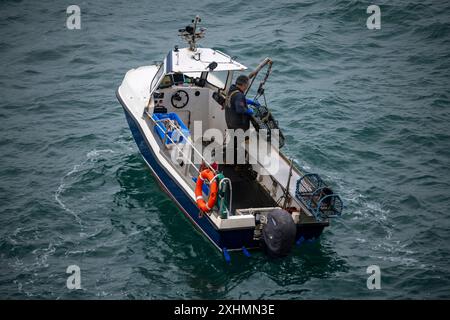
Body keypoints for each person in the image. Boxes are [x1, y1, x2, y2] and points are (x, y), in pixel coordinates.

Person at [224, 75, 259, 169]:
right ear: (244, 84)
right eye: (247, 84)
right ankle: (238, 165)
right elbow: (240, 109)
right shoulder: (239, 95)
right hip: (238, 125)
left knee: (233, 141)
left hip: (230, 121)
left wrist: (250, 102)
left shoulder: (232, 89)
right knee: (242, 144)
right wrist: (249, 111)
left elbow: (238, 100)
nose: (248, 85)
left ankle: (228, 160)